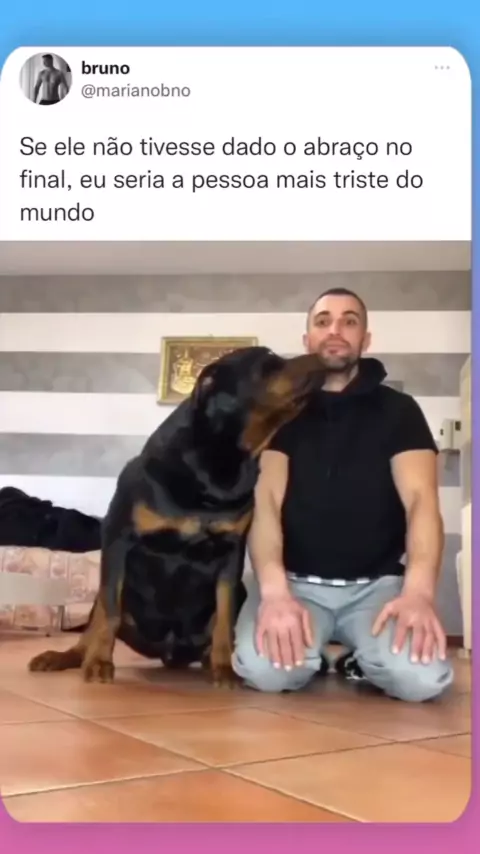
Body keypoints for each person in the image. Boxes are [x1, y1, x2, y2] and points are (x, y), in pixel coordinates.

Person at [232, 287, 454, 702]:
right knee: (265, 673)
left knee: (423, 681)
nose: (335, 330)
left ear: (365, 339)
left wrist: (418, 593)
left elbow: (422, 502)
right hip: (294, 584)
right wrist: (275, 593)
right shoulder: (278, 412)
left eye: (349, 321)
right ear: (307, 339)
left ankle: (358, 659)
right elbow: (266, 504)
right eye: (323, 321)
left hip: (377, 588)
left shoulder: (400, 411)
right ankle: (315, 655)